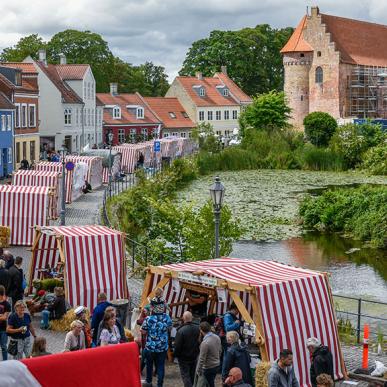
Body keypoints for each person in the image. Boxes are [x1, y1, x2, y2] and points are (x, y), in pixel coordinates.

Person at [141, 297, 173, 387]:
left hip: (151, 346)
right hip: (162, 347)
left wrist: (150, 331)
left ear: (153, 306)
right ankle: (159, 385)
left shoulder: (148, 318)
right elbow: (170, 329)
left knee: (149, 365)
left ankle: (149, 382)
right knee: (160, 366)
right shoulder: (167, 318)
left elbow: (143, 331)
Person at [174, 311, 200, 387]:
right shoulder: (197, 328)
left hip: (183, 356)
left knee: (185, 375)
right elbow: (200, 341)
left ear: (183, 318)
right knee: (192, 374)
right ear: (191, 318)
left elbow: (177, 346)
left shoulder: (181, 330)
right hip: (194, 355)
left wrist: (176, 355)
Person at [196, 321, 222, 387]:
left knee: (209, 384)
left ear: (201, 330)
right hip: (216, 365)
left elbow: (201, 358)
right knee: (211, 382)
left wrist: (198, 370)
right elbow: (220, 350)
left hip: (208, 367)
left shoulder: (205, 343)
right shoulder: (217, 337)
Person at [0, 285, 11, 360]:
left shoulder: (7, 304)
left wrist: (2, 316)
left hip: (3, 329)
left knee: (4, 346)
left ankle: (5, 362)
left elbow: (4, 318)